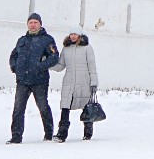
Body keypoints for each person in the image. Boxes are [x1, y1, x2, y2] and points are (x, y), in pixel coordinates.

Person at [8, 13, 60, 143]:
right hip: (22, 80)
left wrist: (40, 66)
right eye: (30, 22)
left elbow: (54, 57)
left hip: (39, 80)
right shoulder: (22, 40)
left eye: (35, 22)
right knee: (18, 109)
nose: (33, 25)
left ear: (40, 24)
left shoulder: (47, 40)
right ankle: (16, 136)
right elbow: (13, 55)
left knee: (43, 107)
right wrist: (15, 67)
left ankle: (48, 134)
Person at [54, 30, 101, 141]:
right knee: (65, 107)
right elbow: (61, 66)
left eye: (75, 34)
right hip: (69, 82)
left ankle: (88, 133)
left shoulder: (87, 48)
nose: (73, 36)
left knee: (86, 107)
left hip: (84, 82)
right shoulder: (66, 48)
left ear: (80, 35)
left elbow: (92, 66)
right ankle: (62, 134)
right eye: (71, 34)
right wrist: (47, 64)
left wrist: (94, 82)